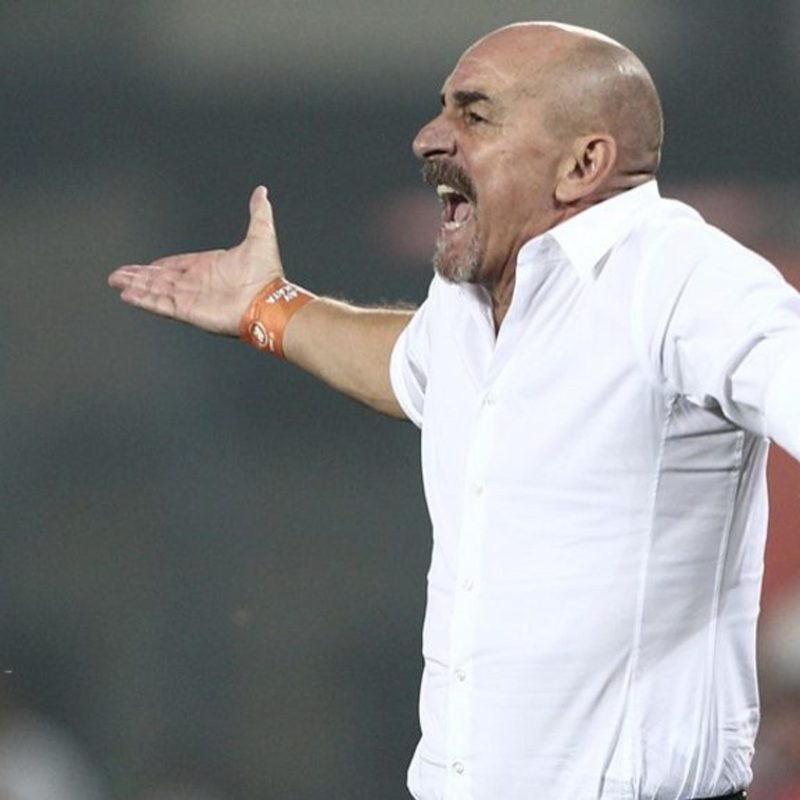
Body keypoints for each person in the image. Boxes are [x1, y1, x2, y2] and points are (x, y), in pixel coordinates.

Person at [108, 21, 800, 800]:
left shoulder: (683, 280)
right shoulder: (477, 296)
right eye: (444, 108)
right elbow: (410, 366)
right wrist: (267, 309)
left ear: (584, 162)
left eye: (475, 114)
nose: (429, 136)